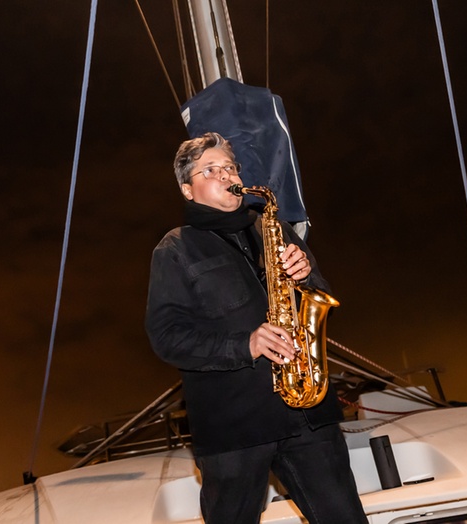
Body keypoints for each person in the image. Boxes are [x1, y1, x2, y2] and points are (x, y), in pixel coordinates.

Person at [145, 132, 367, 524]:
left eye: (230, 166)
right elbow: (166, 335)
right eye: (211, 169)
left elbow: (320, 296)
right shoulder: (175, 248)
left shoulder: (274, 229)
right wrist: (245, 344)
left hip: (308, 414)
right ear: (187, 189)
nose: (226, 174)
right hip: (234, 428)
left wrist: (306, 277)